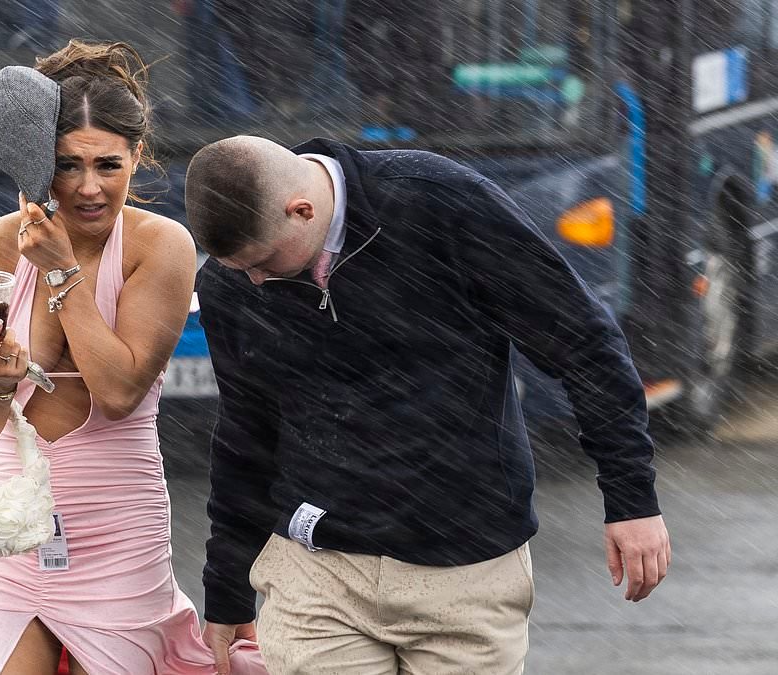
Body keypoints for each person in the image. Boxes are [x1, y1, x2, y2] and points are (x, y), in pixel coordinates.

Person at [184, 135, 671, 674]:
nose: (255, 281)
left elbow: (584, 345)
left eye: (264, 263)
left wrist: (632, 501)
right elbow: (245, 434)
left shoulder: (438, 201)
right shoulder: (232, 284)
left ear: (301, 211)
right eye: (238, 269)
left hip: (466, 569)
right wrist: (226, 587)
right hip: (317, 571)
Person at [0, 41, 266, 675]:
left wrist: (61, 271)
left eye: (108, 165)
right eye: (67, 166)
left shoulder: (160, 245)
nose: (90, 188)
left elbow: (118, 391)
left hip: (117, 531)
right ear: (39, 163)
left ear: (137, 156)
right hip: (10, 529)